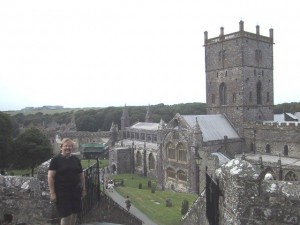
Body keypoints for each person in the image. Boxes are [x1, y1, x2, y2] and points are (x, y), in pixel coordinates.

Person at [48, 138, 86, 225]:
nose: (68, 148)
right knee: (66, 216)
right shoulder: (56, 160)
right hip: (62, 192)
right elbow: (50, 177)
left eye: (70, 146)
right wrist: (52, 193)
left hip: (75, 191)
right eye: (66, 146)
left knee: (74, 213)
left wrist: (84, 190)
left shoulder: (76, 159)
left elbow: (81, 175)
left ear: (72, 148)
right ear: (61, 147)